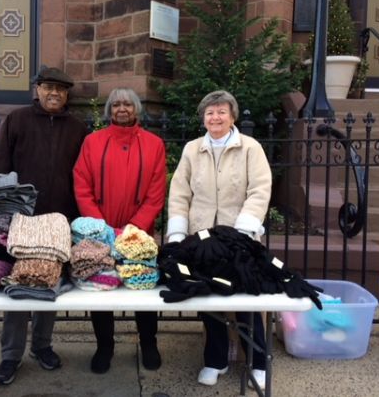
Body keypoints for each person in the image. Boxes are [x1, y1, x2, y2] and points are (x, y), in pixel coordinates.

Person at [165, 90, 272, 390]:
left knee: (245, 301)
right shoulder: (191, 149)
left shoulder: (250, 148)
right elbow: (180, 192)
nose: (215, 117)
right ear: (203, 118)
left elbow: (260, 189)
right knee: (209, 301)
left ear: (232, 116)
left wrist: (243, 230)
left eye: (221, 112)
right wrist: (177, 232)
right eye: (210, 113)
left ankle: (258, 363)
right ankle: (216, 360)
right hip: (201, 239)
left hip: (239, 238)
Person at [0, 66, 88, 386]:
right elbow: (0, 166)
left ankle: (42, 346)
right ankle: (11, 354)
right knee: (18, 287)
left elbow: (83, 173)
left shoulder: (77, 127)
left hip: (60, 218)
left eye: (61, 89)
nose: (54, 93)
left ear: (67, 94)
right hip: (23, 218)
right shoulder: (17, 119)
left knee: (48, 285)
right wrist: (1, 210)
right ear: (37, 89)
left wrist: (77, 216)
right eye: (48, 87)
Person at [73, 87, 167, 373]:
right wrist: (101, 227)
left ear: (136, 109)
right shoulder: (92, 142)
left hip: (140, 233)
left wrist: (134, 229)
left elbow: (156, 191)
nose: (122, 109)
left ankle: (149, 343)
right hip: (101, 231)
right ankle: (105, 346)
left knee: (143, 289)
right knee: (101, 288)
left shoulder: (154, 144)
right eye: (116, 105)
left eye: (127, 104)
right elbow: (82, 184)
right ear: (109, 111)